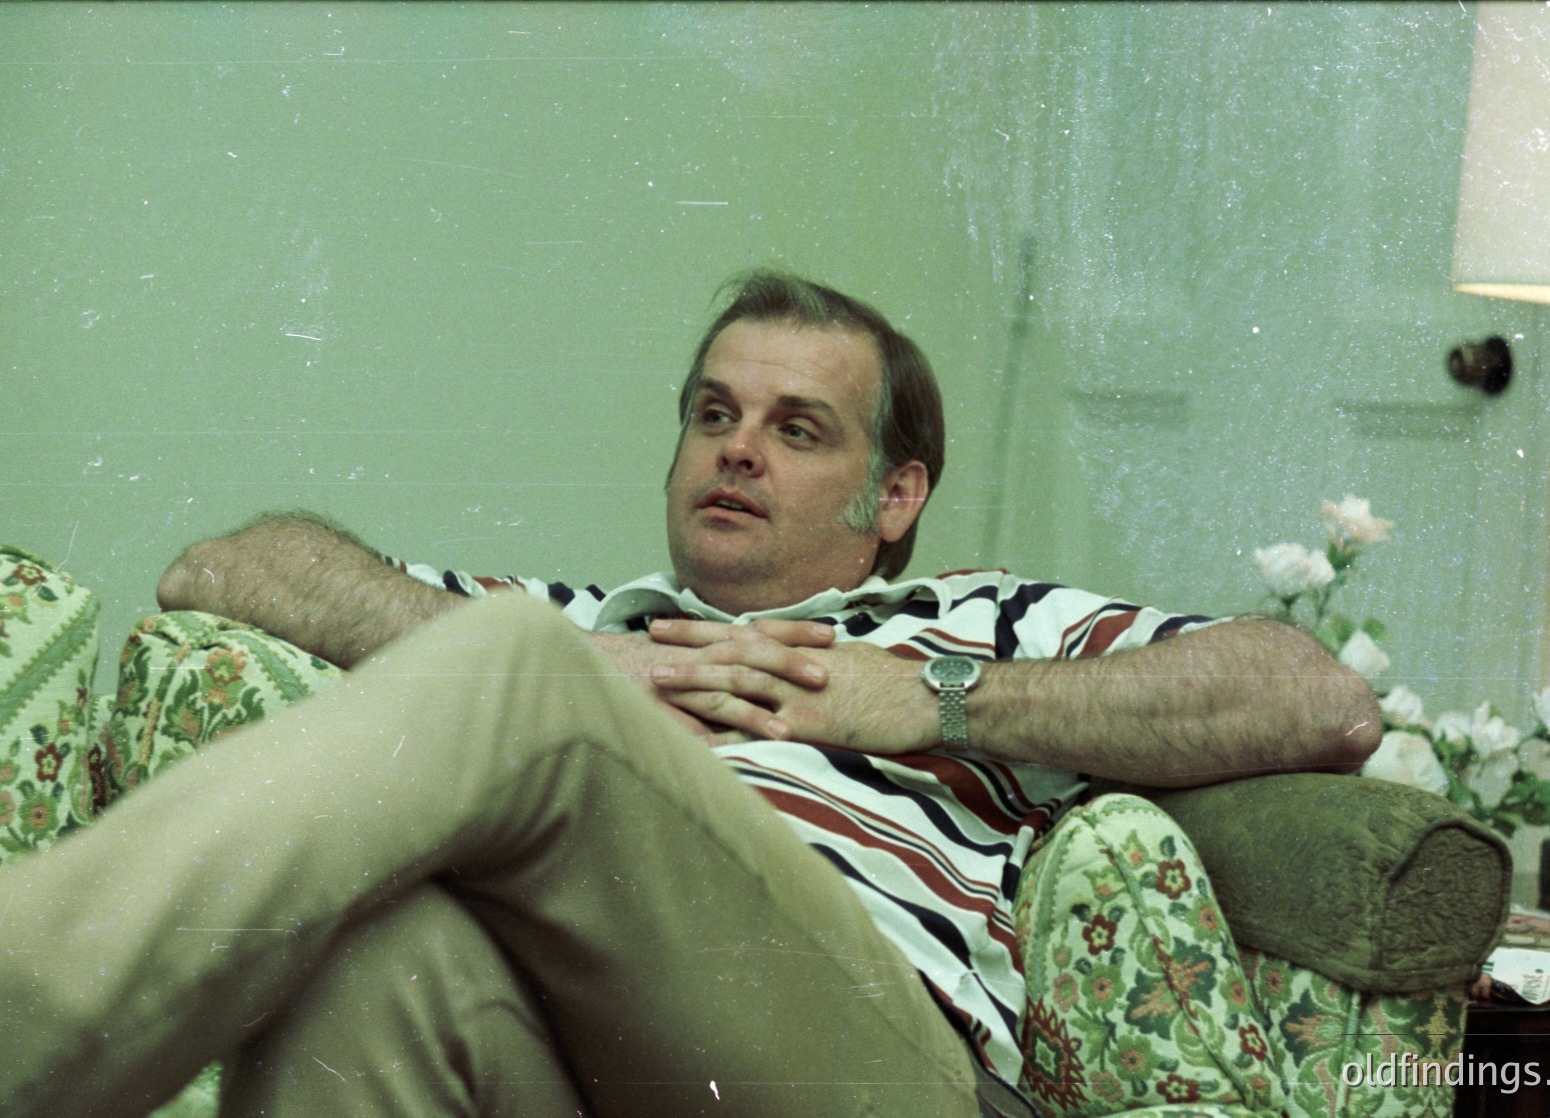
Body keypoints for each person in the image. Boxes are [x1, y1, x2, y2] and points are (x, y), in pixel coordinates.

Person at [2, 271, 1380, 1118]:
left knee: (504, 676)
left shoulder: (970, 618)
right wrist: (588, 668)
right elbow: (227, 567)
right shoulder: (577, 631)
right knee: (375, 966)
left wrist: (935, 701)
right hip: (578, 1063)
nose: (737, 451)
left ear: (894, 493)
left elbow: (1315, 696)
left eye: (798, 429)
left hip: (871, 1069)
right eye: (714, 414)